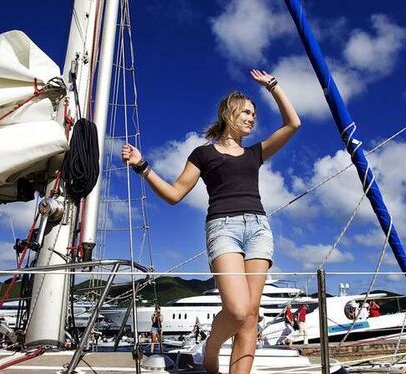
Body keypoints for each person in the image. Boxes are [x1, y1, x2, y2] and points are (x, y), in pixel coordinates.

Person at [122, 69, 300, 373]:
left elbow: (293, 123)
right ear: (229, 113)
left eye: (254, 113)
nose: (252, 117)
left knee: (251, 316)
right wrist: (143, 167)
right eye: (246, 111)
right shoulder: (203, 154)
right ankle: (212, 345)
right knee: (238, 309)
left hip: (258, 228)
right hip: (223, 228)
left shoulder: (254, 153)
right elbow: (175, 194)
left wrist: (273, 86)